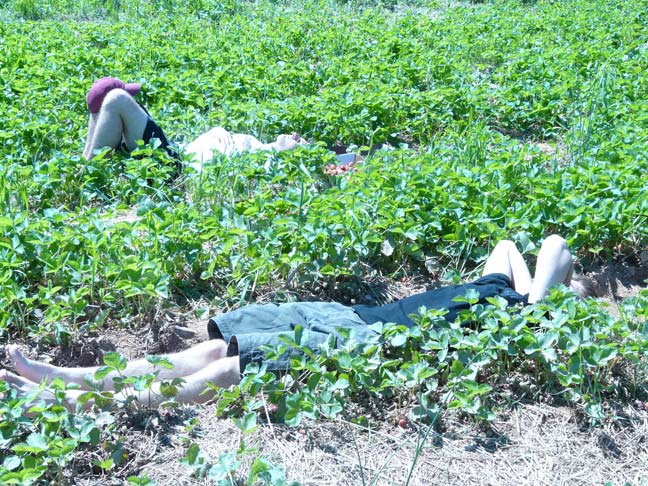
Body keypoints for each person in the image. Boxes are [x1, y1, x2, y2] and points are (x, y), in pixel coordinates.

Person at [1, 235, 594, 410]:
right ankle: (67, 374)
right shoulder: (506, 289)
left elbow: (556, 246)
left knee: (230, 366)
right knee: (219, 351)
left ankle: (82, 403)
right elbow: (510, 245)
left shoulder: (523, 317)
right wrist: (537, 288)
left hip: (376, 340)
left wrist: (548, 300)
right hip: (356, 316)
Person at [82, 77, 307, 165]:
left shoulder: (264, 155)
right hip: (172, 157)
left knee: (115, 98)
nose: (295, 137)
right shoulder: (262, 149)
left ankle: (88, 167)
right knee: (112, 97)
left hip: (173, 160)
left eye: (300, 141)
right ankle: (89, 165)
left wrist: (280, 149)